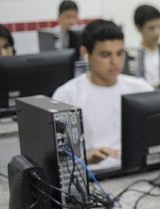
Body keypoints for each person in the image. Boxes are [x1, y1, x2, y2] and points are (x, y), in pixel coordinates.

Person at [53, 19, 152, 167]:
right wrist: (86, 157)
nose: (115, 61)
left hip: (136, 170)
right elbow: (59, 157)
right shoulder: (67, 96)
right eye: (105, 55)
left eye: (120, 53)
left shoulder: (141, 88)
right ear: (85, 53)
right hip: (94, 177)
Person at [133, 4, 160, 87]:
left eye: (159, 27)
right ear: (139, 28)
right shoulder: (134, 57)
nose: (157, 33)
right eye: (151, 28)